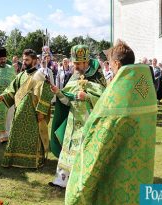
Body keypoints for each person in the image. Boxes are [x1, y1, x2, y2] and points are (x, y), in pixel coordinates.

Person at [65, 40, 157, 205]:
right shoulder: (143, 85)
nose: (110, 67)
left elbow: (101, 124)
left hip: (119, 163)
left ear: (116, 63)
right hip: (141, 161)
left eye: (110, 63)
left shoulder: (120, 90)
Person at [49, 45, 106, 188]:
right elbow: (68, 101)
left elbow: (106, 101)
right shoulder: (74, 76)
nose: (75, 66)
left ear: (86, 62)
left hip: (89, 122)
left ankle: (83, 183)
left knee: (84, 151)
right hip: (73, 121)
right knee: (68, 149)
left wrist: (87, 96)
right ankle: (62, 180)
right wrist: (59, 93)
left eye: (78, 63)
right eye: (74, 63)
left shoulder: (98, 77)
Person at [0, 49, 54, 168]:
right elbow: (12, 90)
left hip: (34, 113)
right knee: (16, 135)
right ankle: (14, 159)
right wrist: (3, 96)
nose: (24, 62)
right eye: (23, 60)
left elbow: (47, 94)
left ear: (35, 61)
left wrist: (42, 111)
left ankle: (33, 161)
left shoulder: (41, 76)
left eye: (27, 60)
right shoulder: (21, 75)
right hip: (19, 113)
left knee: (33, 137)